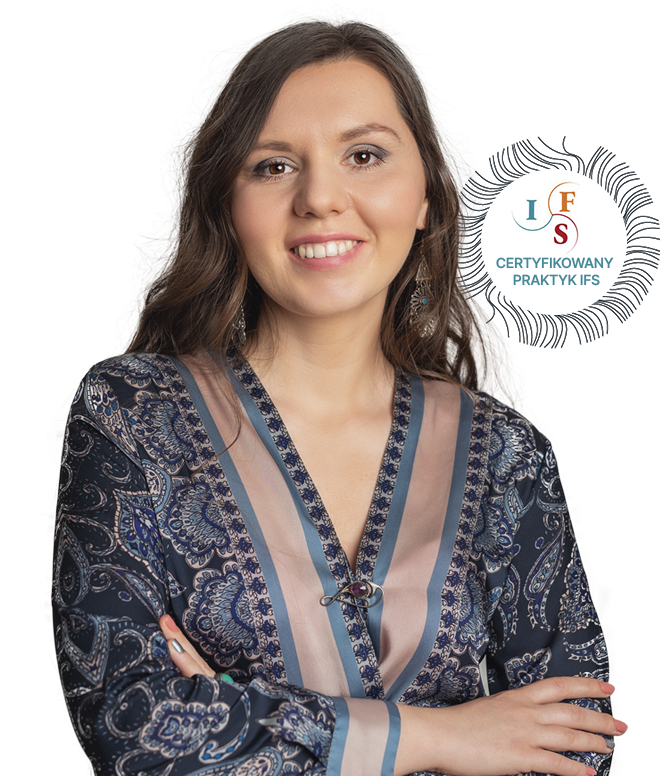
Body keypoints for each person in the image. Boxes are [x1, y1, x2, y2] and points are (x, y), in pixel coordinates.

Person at [52, 10, 624, 776]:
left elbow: (577, 742)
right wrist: (446, 738)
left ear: (426, 196)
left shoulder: (506, 456)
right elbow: (131, 727)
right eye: (273, 166)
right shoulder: (131, 415)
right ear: (228, 205)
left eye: (364, 155)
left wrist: (238, 710)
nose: (320, 197)